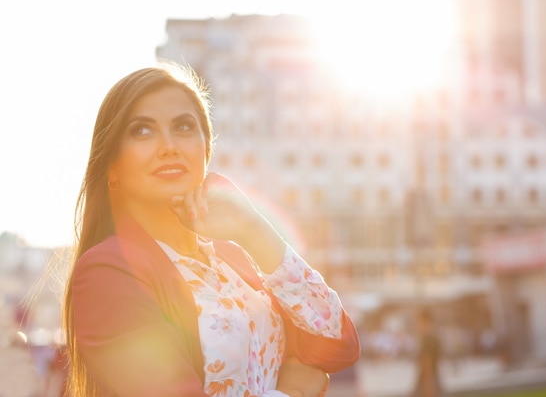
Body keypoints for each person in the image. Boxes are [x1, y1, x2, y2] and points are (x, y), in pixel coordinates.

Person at [62, 61, 360, 397]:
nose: (169, 146)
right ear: (112, 168)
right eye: (142, 130)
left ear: (206, 151)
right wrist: (293, 393)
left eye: (184, 127)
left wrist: (253, 231)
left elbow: (338, 344)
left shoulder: (233, 259)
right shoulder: (108, 271)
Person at [411, 309, 445, 397]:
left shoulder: (427, 340)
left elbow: (427, 366)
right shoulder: (434, 339)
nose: (417, 326)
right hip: (433, 380)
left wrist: (428, 389)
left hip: (426, 383)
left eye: (418, 322)